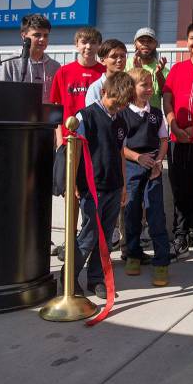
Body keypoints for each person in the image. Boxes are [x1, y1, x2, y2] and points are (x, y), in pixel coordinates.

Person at [74, 71, 135, 300]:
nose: (116, 108)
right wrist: (75, 184)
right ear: (103, 92)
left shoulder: (121, 119)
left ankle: (96, 279)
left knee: (106, 237)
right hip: (91, 187)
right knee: (89, 236)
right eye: (113, 102)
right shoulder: (85, 117)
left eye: (122, 105)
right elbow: (76, 152)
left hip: (114, 186)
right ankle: (69, 277)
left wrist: (124, 186)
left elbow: (120, 152)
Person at [163, 20, 193, 258]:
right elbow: (167, 100)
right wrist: (173, 124)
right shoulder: (177, 69)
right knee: (180, 191)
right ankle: (180, 237)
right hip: (178, 140)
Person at [120, 68, 170, 286]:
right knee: (131, 211)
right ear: (132, 88)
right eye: (144, 85)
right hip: (131, 166)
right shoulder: (122, 114)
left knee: (156, 212)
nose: (149, 89)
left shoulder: (156, 114)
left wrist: (158, 161)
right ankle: (133, 254)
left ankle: (161, 262)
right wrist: (137, 157)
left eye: (151, 85)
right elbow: (119, 147)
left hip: (153, 168)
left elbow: (164, 141)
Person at [50, 27, 105, 143]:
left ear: (99, 45)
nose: (88, 47)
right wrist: (59, 139)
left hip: (97, 138)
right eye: (84, 42)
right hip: (68, 138)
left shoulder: (105, 72)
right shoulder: (63, 72)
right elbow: (56, 107)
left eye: (93, 43)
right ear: (76, 44)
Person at [0, 14, 61, 102]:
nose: (42, 39)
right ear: (24, 36)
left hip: (44, 115)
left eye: (46, 35)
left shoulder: (55, 67)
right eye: (37, 35)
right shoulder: (10, 63)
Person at [128, 27, 168, 109]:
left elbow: (166, 95)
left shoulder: (163, 69)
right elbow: (122, 92)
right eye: (141, 41)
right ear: (135, 44)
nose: (145, 44)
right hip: (128, 116)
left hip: (153, 118)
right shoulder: (125, 65)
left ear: (156, 44)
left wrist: (159, 74)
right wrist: (137, 71)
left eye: (150, 41)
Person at [85, 39, 129, 106]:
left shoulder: (130, 84)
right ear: (102, 61)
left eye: (122, 56)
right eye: (114, 56)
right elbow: (92, 114)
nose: (119, 60)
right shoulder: (96, 88)